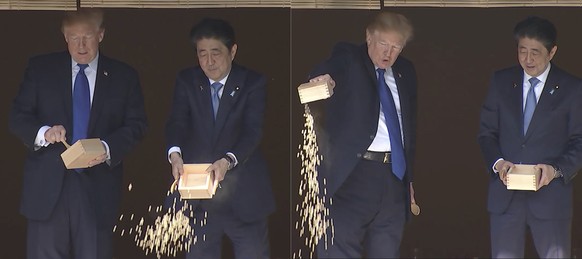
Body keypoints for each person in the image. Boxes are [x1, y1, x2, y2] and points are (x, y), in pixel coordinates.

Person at [8, 8, 147, 259]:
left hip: (97, 188)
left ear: (101, 35)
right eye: (74, 37)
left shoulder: (123, 76)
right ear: (65, 37)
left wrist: (106, 147)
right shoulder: (41, 69)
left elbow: (137, 125)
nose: (81, 45)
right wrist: (44, 132)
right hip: (47, 188)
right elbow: (18, 116)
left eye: (88, 37)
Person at [308, 11, 418, 258]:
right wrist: (323, 77)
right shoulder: (349, 58)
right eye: (383, 44)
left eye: (396, 47)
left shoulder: (406, 72)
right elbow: (328, 68)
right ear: (369, 37)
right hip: (353, 172)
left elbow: (409, 130)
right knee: (339, 247)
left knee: (387, 250)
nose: (388, 53)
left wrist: (409, 179)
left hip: (393, 176)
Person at [165, 18, 275, 259]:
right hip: (199, 198)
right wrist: (175, 154)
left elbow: (252, 131)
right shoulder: (187, 80)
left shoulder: (252, 82)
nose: (209, 61)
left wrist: (228, 160)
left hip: (244, 197)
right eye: (202, 54)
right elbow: (177, 123)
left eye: (216, 53)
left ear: (232, 51)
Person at [478, 16, 582, 258]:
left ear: (552, 51)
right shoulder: (501, 81)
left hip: (551, 198)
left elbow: (580, 140)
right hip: (506, 198)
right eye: (522, 50)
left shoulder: (572, 88)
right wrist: (498, 163)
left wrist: (554, 170)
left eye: (535, 52)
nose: (528, 58)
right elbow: (486, 133)